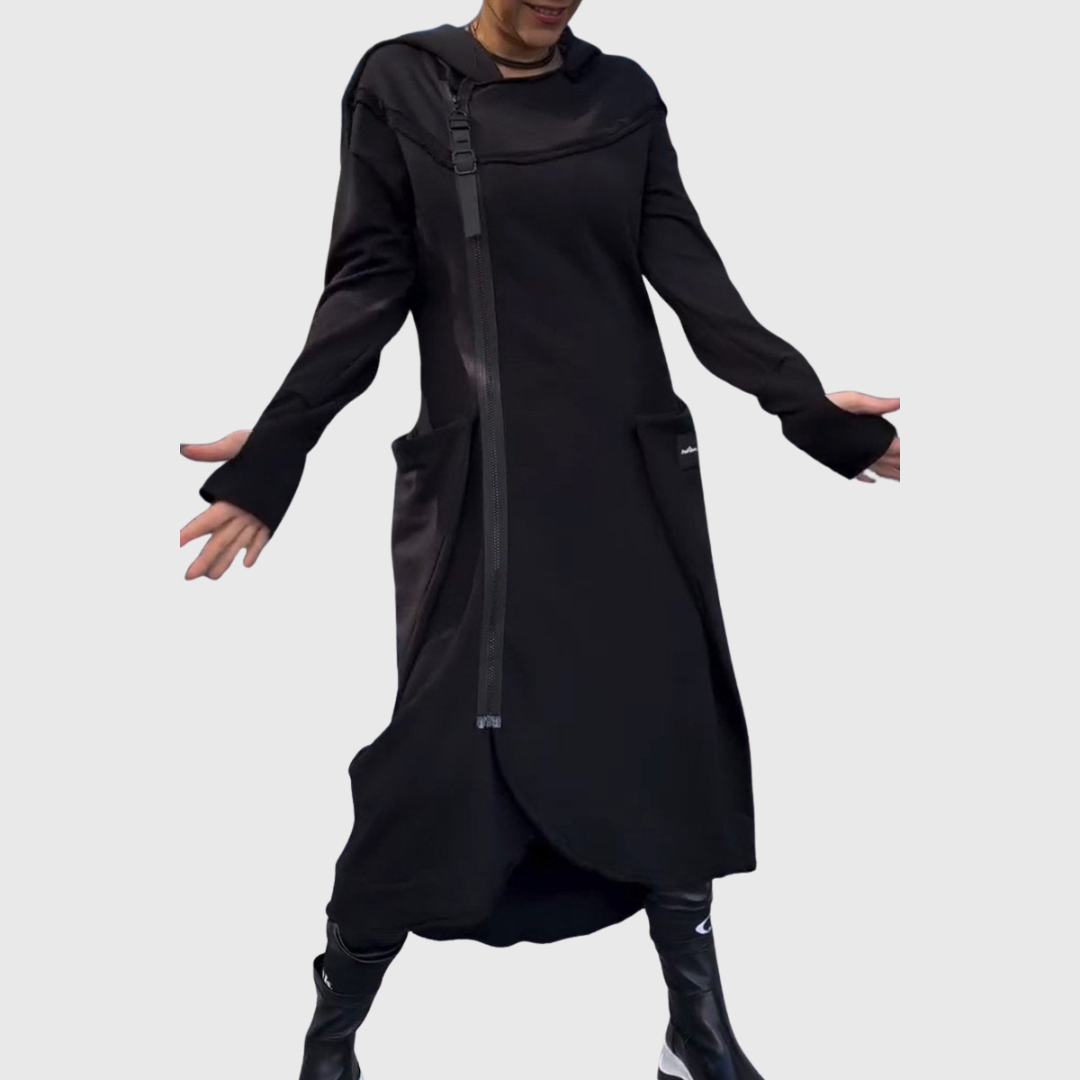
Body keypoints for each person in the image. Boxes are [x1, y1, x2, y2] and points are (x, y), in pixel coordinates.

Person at [180, 5, 900, 1078]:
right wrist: (278, 451)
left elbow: (692, 275)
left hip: (629, 478)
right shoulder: (403, 84)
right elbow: (366, 285)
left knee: (664, 739)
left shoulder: (622, 96)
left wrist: (808, 409)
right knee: (436, 763)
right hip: (487, 492)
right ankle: (331, 1039)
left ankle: (697, 1033)